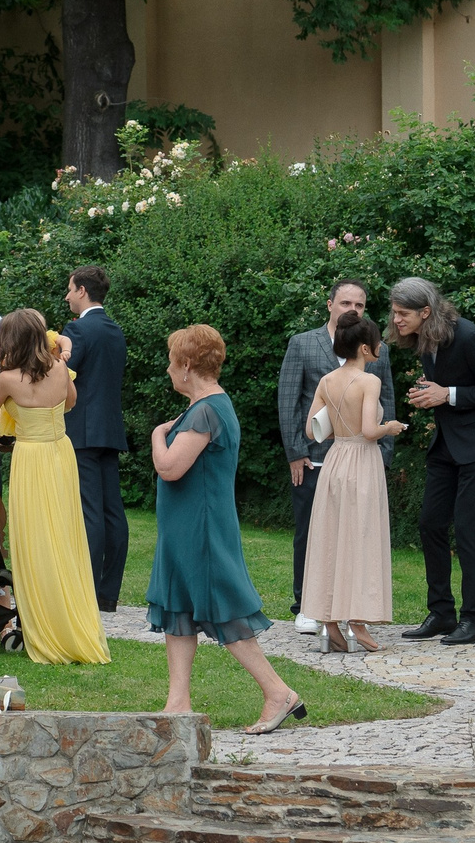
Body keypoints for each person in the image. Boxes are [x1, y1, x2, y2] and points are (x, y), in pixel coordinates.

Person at [148, 325, 302, 734]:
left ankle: (278, 692)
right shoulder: (206, 406)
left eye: (170, 361)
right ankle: (177, 702)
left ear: (185, 365)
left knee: (224, 611)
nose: (167, 369)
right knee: (179, 608)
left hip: (202, 528)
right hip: (185, 529)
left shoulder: (206, 410)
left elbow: (170, 467)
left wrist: (156, 436)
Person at [0, 310, 110, 665]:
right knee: (65, 535)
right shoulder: (58, 368)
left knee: (34, 538)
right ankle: (69, 618)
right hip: (59, 452)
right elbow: (69, 402)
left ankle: (43, 621)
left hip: (30, 457)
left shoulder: (8, 379)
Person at [390, 278, 475, 644]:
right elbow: (444, 389)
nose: (395, 320)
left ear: (425, 312)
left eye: (402, 313)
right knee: (430, 523)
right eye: (394, 312)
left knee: (468, 528)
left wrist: (448, 395)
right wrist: (428, 394)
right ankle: (442, 613)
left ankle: (473, 620)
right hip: (446, 444)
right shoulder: (424, 340)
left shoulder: (469, 337)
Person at [279, 279, 396, 635]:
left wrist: (383, 453)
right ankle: (307, 605)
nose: (352, 309)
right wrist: (295, 452)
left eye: (359, 305)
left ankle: (351, 610)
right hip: (315, 456)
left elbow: (386, 400)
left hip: (363, 456)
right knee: (313, 532)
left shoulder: (378, 352)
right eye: (346, 302)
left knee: (357, 535)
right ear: (330, 304)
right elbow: (288, 400)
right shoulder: (302, 343)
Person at [300, 312, 406, 653]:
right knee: (360, 539)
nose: (380, 346)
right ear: (364, 347)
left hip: (335, 461)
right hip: (361, 461)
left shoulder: (327, 380)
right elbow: (370, 430)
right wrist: (391, 426)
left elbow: (312, 431)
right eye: (376, 342)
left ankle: (330, 619)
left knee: (332, 538)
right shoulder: (369, 382)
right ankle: (357, 622)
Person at [62, 266, 130, 611]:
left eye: (71, 290)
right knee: (112, 511)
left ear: (83, 291)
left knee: (90, 511)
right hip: (109, 429)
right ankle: (108, 592)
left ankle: (87, 590)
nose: (67, 296)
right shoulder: (115, 331)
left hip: (81, 430)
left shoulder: (77, 330)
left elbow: (64, 378)